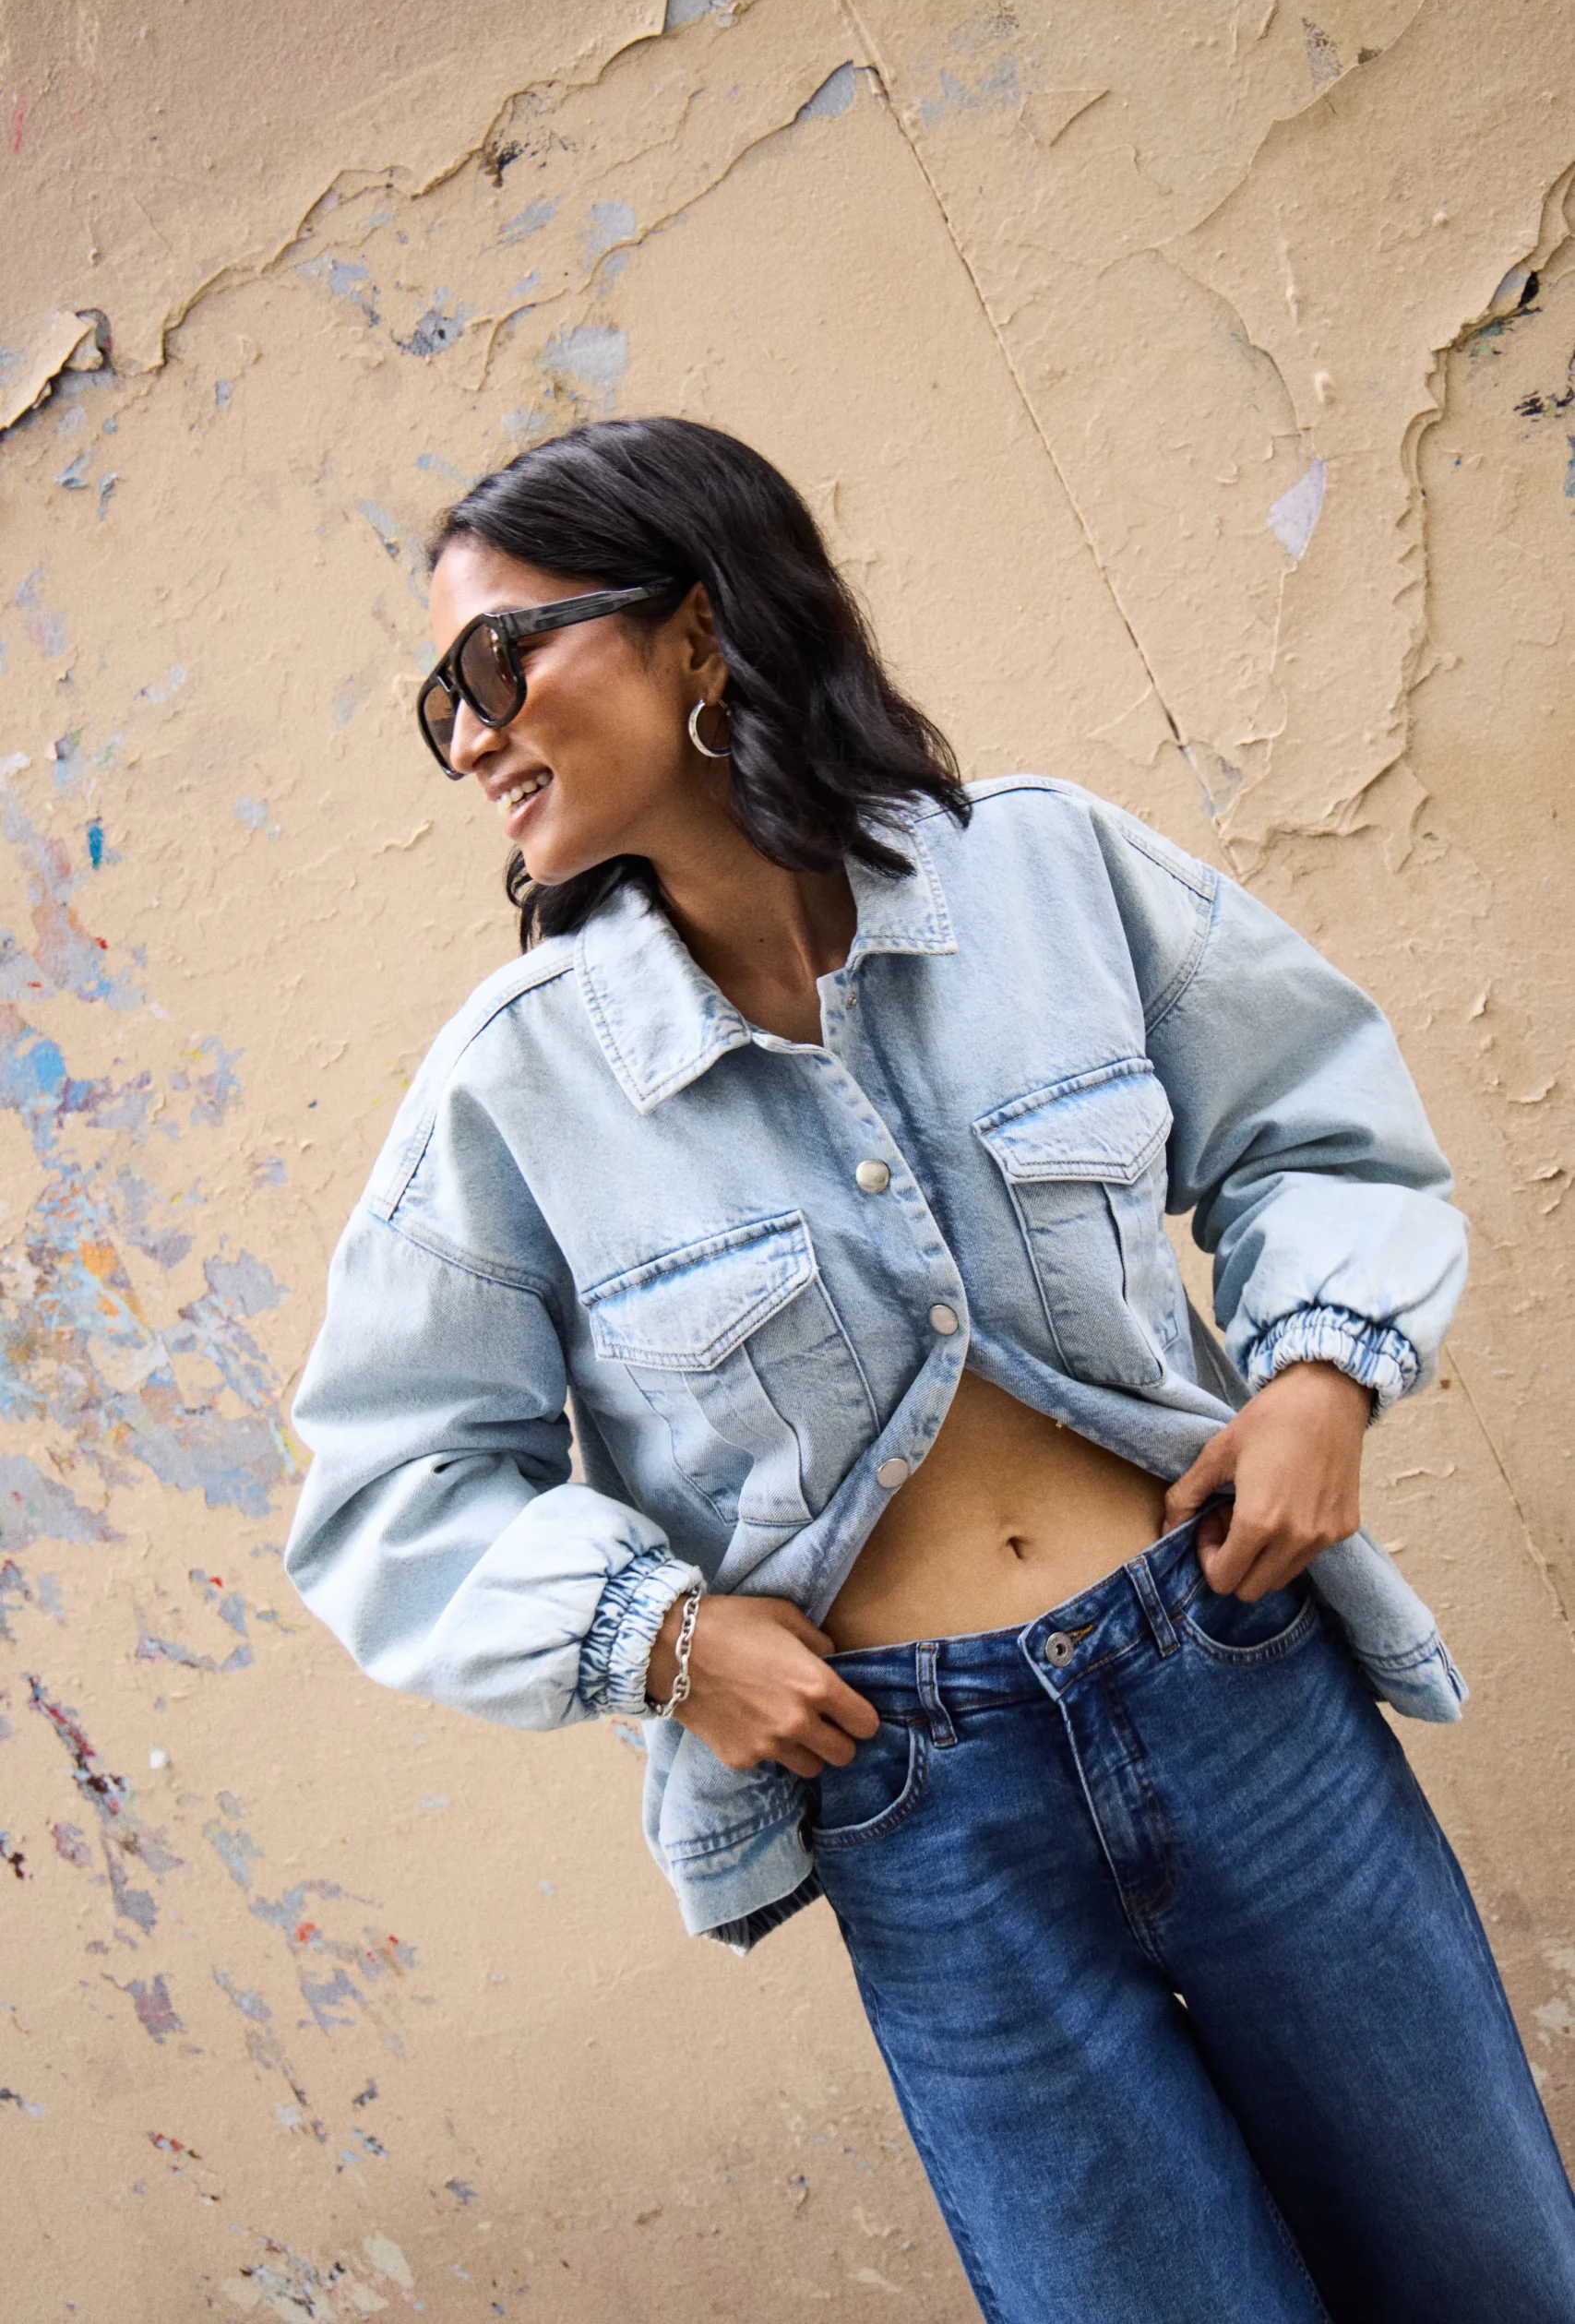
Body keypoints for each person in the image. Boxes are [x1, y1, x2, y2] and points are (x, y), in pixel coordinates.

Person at [284, 415, 1575, 2324]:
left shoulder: (1042, 869)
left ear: (699, 627)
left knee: (1490, 2268)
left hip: (1236, 1684)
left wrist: (1322, 1376)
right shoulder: (517, 1085)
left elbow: (1314, 1123)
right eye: (439, 703)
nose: (468, 736)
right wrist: (664, 1640)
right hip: (924, 1804)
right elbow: (387, 1485)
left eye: (498, 662)